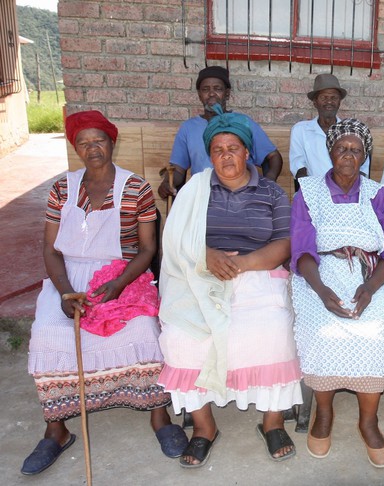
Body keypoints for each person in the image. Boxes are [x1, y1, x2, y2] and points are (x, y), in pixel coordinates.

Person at [21, 111, 187, 476]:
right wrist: (65, 293)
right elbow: (50, 250)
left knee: (145, 331)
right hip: (68, 279)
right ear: (75, 147)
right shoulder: (62, 188)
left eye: (99, 140)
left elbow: (147, 250)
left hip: (120, 274)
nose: (92, 148)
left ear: (112, 142)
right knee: (47, 336)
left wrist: (118, 284)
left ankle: (159, 417)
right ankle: (57, 430)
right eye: (83, 142)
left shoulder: (136, 188)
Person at [157, 106, 302, 467]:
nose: (226, 156)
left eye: (233, 148)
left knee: (273, 331)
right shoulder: (195, 189)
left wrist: (241, 264)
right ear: (209, 156)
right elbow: (174, 238)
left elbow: (285, 243)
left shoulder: (270, 192)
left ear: (247, 152)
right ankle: (204, 427)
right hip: (200, 273)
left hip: (258, 273)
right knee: (181, 336)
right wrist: (206, 256)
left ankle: (272, 421)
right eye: (218, 150)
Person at [290, 119, 384, 468]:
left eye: (356, 150)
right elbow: (302, 250)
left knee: (374, 332)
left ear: (364, 157)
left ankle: (368, 420)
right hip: (320, 275)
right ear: (330, 152)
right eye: (342, 148)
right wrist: (323, 291)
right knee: (320, 329)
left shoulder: (378, 194)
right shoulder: (307, 192)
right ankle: (324, 414)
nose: (348, 155)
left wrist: (371, 288)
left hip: (370, 276)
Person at [157, 66, 283, 198]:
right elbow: (178, 170)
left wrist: (267, 185)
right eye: (205, 89)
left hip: (242, 195)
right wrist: (167, 183)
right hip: (203, 196)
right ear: (199, 94)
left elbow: (273, 157)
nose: (211, 94)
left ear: (227, 93)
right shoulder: (188, 128)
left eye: (217, 89)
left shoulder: (242, 122)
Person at [289, 74, 370, 182]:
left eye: (334, 98)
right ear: (315, 102)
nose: (329, 102)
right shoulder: (301, 130)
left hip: (348, 192)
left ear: (339, 103)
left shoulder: (353, 131)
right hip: (314, 192)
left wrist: (349, 191)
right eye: (324, 97)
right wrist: (312, 191)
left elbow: (363, 169)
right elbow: (298, 167)